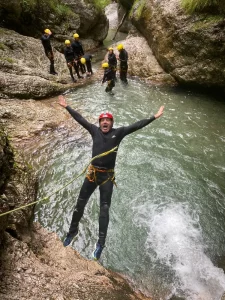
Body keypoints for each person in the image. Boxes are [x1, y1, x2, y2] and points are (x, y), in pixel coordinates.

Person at [59, 94, 164, 260]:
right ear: (100, 123)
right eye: (102, 120)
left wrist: (154, 117)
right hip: (92, 174)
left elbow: (136, 125)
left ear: (112, 123)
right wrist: (67, 107)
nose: (105, 122)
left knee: (104, 210)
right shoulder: (94, 131)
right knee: (80, 204)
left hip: (107, 177)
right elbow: (80, 119)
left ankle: (100, 243)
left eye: (108, 120)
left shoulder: (119, 133)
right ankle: (72, 232)